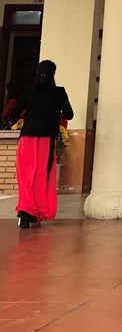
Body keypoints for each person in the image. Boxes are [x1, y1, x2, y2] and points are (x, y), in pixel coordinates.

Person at [10, 60, 74, 229]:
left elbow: (13, 115)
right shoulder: (59, 92)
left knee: (26, 176)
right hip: (47, 139)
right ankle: (36, 210)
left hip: (27, 139)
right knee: (42, 175)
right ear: (53, 74)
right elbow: (69, 114)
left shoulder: (28, 91)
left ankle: (25, 210)